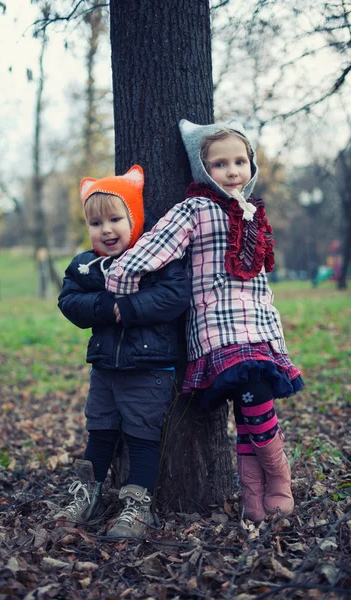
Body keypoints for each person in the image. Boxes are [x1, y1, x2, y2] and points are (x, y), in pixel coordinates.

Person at [105, 120, 305, 523]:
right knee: (252, 399)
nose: (232, 171)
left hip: (261, 329)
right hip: (220, 329)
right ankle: (279, 476)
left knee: (247, 413)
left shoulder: (252, 212)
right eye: (219, 164)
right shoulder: (194, 209)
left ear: (251, 165)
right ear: (202, 169)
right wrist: (119, 278)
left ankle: (253, 499)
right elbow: (155, 248)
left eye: (239, 161)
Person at [57, 165, 190, 537]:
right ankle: (87, 494)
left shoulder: (157, 257)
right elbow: (69, 300)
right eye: (96, 223)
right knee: (99, 431)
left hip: (149, 368)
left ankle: (138, 507)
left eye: (115, 219)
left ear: (134, 217)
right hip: (104, 368)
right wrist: (105, 306)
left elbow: (174, 297)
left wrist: (126, 309)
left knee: (141, 436)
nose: (106, 230)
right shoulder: (87, 265)